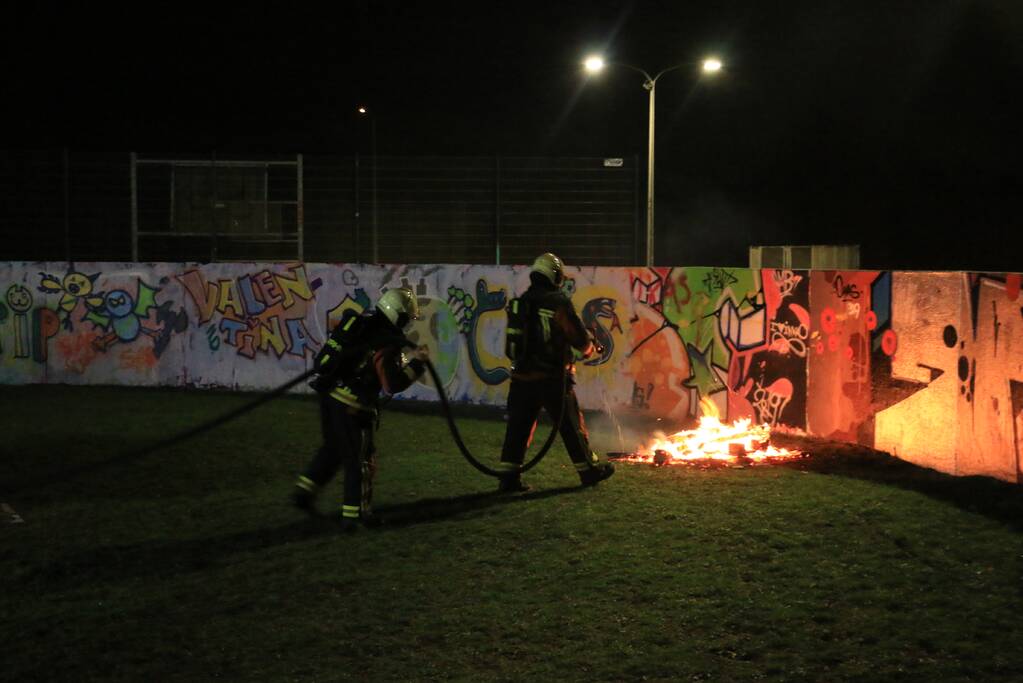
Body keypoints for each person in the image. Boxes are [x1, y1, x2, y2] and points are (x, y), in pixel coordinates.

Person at [291, 287, 429, 530]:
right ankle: (355, 517)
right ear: (398, 315)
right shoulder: (387, 341)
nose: (407, 324)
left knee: (333, 448)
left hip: (331, 398)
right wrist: (416, 365)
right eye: (406, 318)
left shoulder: (363, 326)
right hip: (353, 406)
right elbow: (391, 383)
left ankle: (304, 491)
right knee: (361, 461)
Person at [498, 252, 615, 493]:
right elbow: (579, 339)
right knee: (571, 426)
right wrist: (590, 345)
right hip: (552, 379)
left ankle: (508, 479)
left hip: (521, 378)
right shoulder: (557, 302)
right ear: (555, 276)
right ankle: (589, 471)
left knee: (518, 429)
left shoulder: (523, 301)